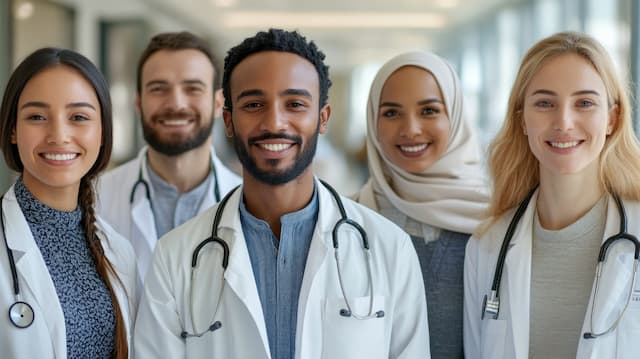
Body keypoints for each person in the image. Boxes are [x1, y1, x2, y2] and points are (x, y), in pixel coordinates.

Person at [134, 28, 430, 359]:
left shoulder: (389, 247)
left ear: (322, 117)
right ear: (228, 121)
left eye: (295, 104)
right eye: (254, 104)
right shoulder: (175, 256)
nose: (274, 121)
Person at [463, 31, 640, 359]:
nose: (564, 121)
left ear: (612, 119)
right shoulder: (487, 247)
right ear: (523, 121)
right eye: (545, 103)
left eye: (584, 103)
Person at [0, 48, 136, 358]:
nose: (59, 135)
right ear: (12, 130)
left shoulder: (119, 253)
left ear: (102, 132)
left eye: (78, 117)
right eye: (37, 117)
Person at [354, 51, 489, 358]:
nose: (410, 129)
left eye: (428, 110)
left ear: (454, 115)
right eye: (391, 113)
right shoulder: (349, 220)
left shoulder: (498, 218)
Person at [97, 31, 241, 287]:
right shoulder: (95, 200)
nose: (175, 103)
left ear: (219, 103)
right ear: (139, 102)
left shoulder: (248, 205)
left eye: (193, 88)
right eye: (158, 88)